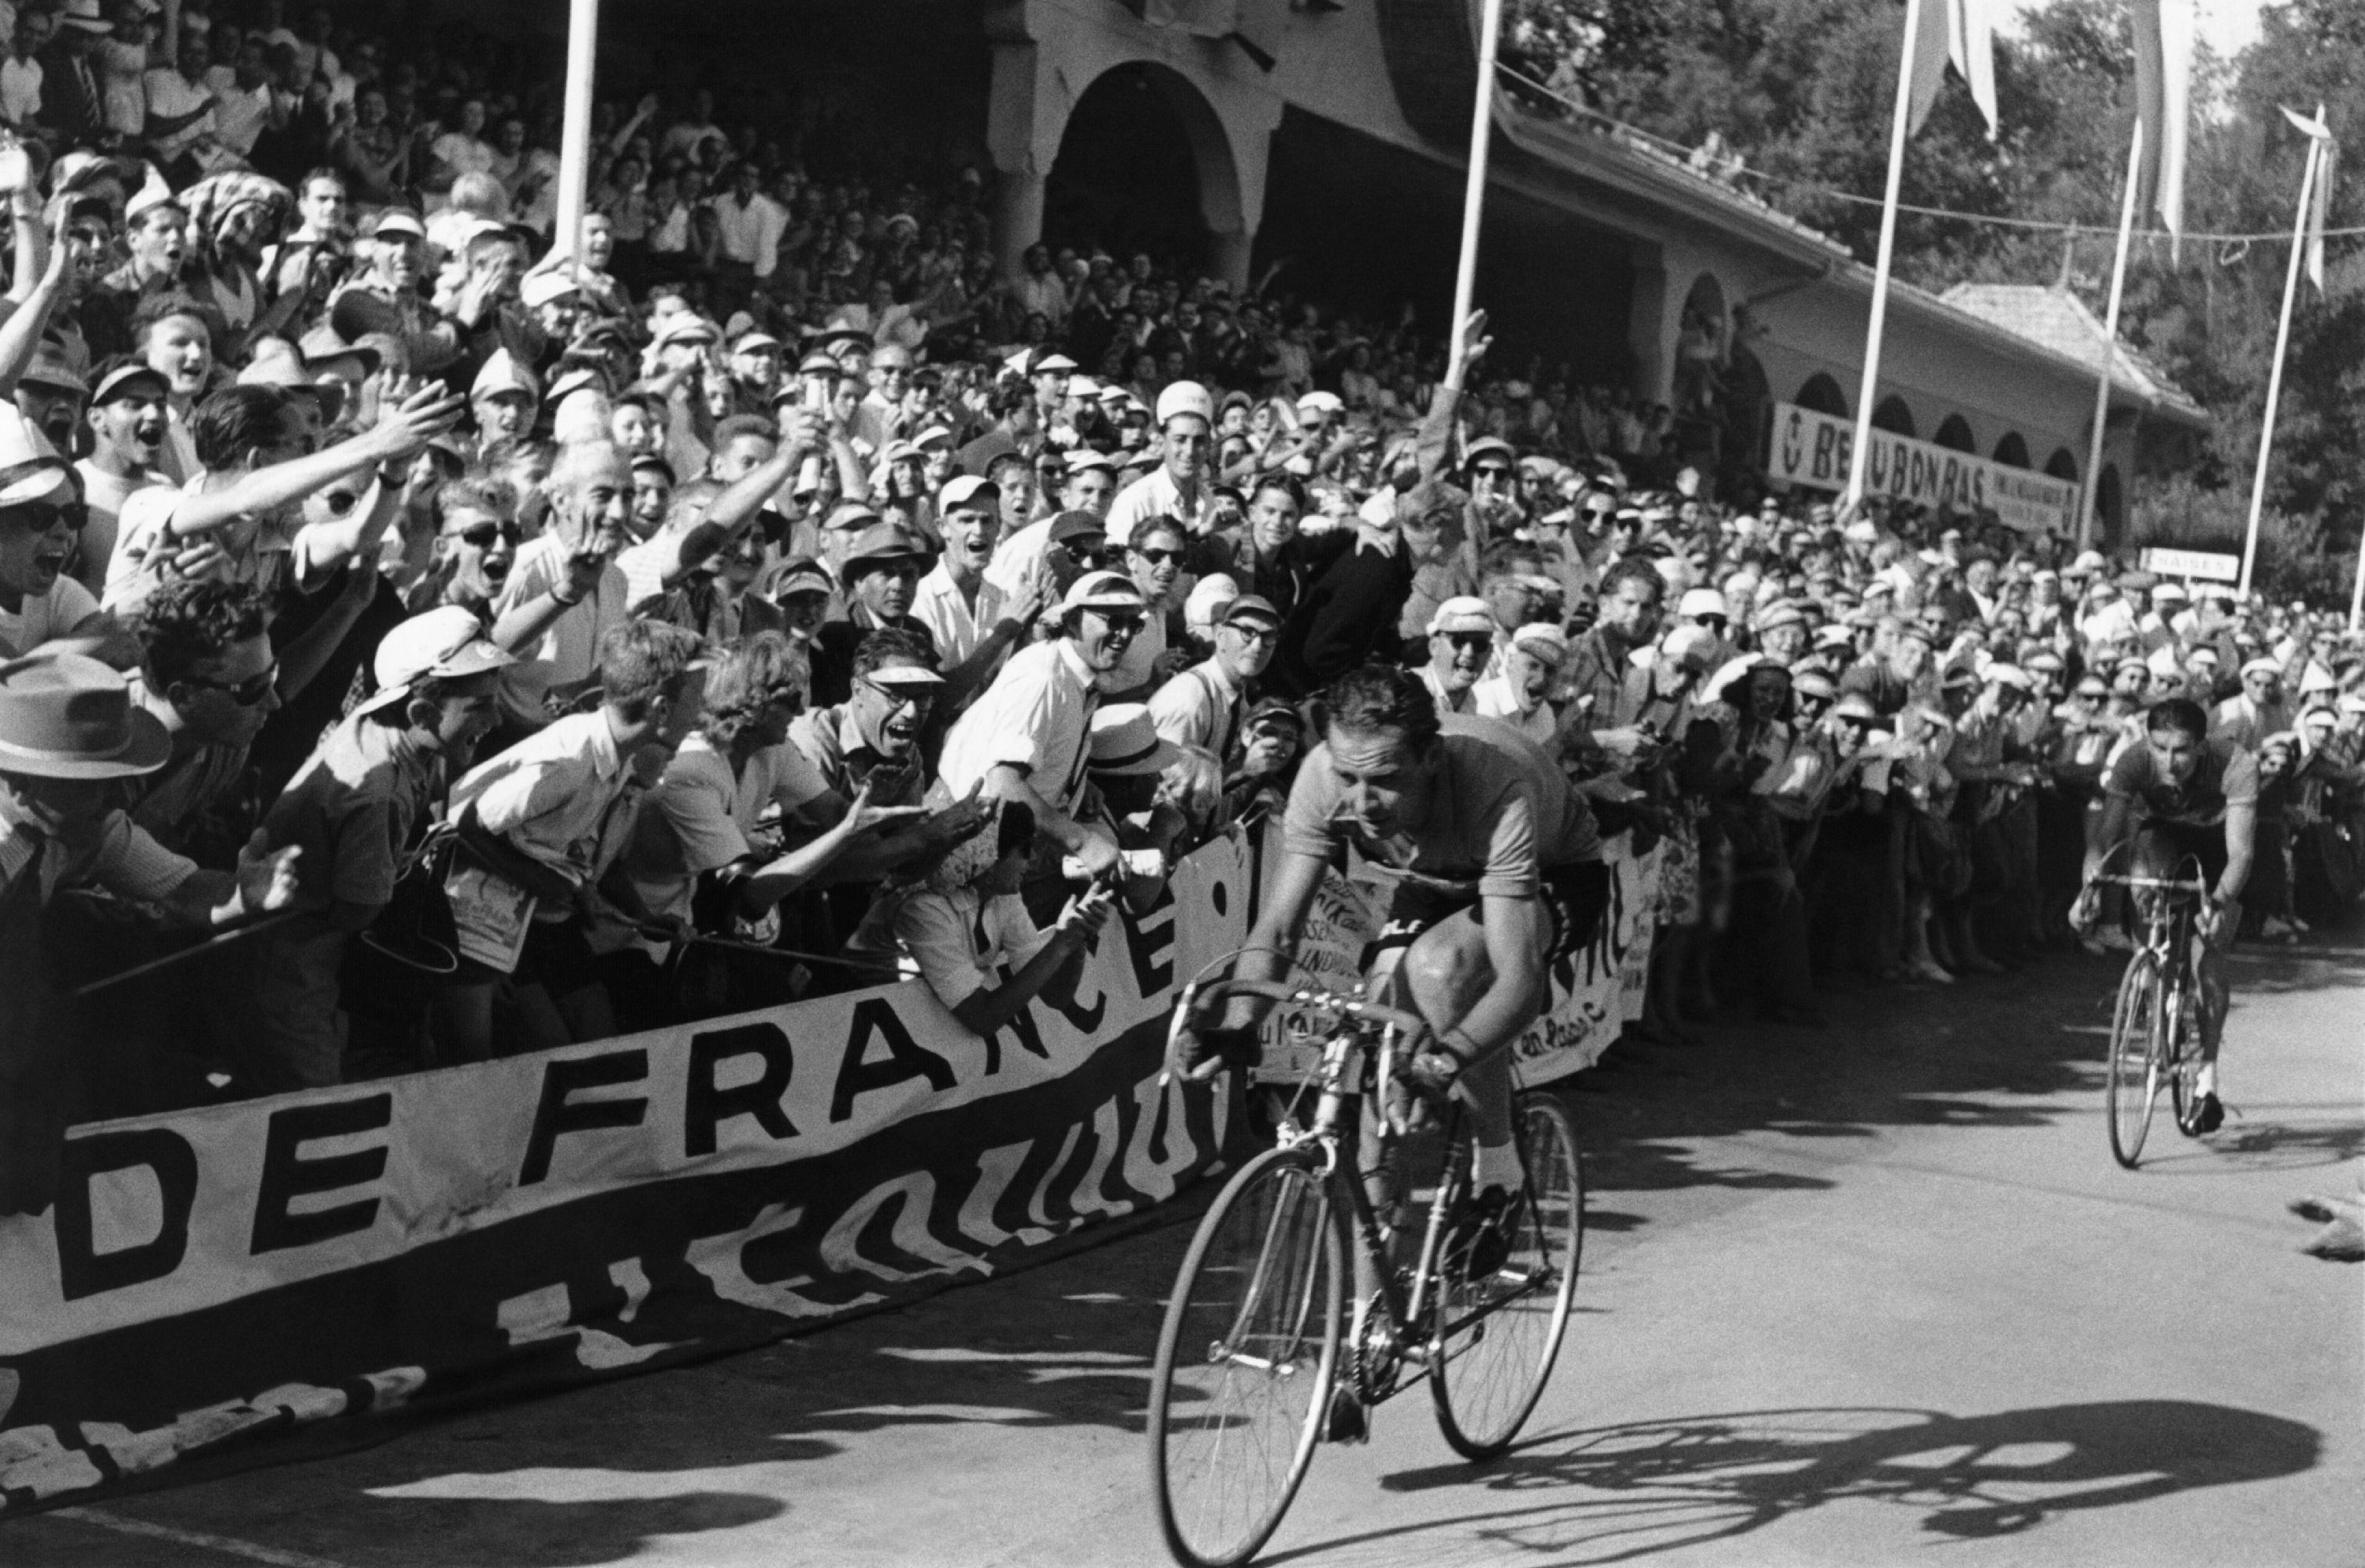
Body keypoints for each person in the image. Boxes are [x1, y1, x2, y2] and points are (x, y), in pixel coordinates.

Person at [1189, 665, 1608, 1423]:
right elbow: (1277, 928)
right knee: (1375, 1060)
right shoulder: (1329, 775)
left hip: (1549, 871)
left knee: (1446, 973)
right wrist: (1237, 1022)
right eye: (1346, 777)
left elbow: (1520, 984)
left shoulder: (1491, 781)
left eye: (1380, 781)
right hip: (1433, 878)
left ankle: (1497, 1163)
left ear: (1429, 760)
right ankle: (1367, 1325)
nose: (1357, 803)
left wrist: (1443, 1060)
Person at [0, 650, 302, 1215]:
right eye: (96, 783)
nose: (120, 799)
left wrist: (248, 893)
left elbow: (182, 889)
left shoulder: (84, 824)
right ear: (22, 786)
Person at [246, 607, 513, 1090]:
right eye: (479, 707)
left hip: (301, 942)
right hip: (295, 958)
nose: (496, 718)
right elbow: (358, 913)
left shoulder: (385, 730)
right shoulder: (379, 795)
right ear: (422, 713)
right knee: (315, 1093)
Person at [2084, 697, 2257, 1133]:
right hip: (2163, 835)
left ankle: (2207, 1078)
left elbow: (2241, 852)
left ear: (2202, 746)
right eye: (2160, 749)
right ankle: (2152, 970)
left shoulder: (2235, 763)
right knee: (2146, 883)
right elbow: (2104, 838)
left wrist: (2217, 903)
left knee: (2209, 961)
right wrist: (2086, 891)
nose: (2170, 761)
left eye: (2181, 750)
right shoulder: (2132, 761)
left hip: (2219, 844)